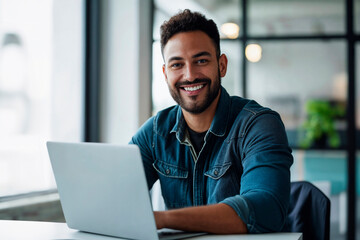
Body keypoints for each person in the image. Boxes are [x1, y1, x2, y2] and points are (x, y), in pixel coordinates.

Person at [130, 9, 293, 234]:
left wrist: (163, 219)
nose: (189, 75)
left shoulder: (259, 125)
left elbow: (266, 210)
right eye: (177, 64)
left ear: (222, 65)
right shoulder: (155, 133)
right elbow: (117, 197)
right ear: (166, 74)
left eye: (201, 60)